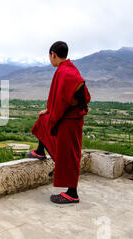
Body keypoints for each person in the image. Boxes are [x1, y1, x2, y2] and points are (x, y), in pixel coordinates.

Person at [28, 41, 91, 204]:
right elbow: (78, 96)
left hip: (69, 120)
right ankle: (40, 151)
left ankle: (72, 193)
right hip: (71, 117)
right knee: (44, 120)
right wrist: (50, 111)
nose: (50, 60)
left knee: (70, 153)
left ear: (53, 54)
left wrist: (54, 115)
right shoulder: (70, 69)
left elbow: (65, 99)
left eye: (50, 57)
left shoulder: (63, 72)